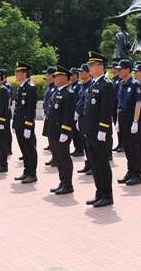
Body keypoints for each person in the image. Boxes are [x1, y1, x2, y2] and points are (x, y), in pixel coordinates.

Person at [83, 51, 116, 208]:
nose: (90, 67)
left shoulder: (106, 84)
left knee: (102, 163)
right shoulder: (93, 83)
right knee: (94, 163)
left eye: (92, 65)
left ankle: (107, 195)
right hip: (90, 130)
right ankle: (99, 192)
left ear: (101, 67)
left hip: (99, 132)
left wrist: (103, 129)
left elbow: (106, 109)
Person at [43, 66, 76, 195]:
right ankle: (62, 181)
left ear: (65, 78)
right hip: (52, 131)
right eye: (54, 76)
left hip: (61, 132)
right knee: (57, 158)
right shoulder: (56, 92)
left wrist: (65, 131)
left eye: (58, 76)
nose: (55, 78)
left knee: (64, 158)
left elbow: (68, 115)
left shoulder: (69, 93)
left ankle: (68, 184)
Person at [115, 58, 141, 186]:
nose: (118, 71)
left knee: (133, 146)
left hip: (130, 116)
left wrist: (135, 121)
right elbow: (119, 103)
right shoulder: (121, 84)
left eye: (121, 69)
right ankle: (130, 171)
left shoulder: (135, 84)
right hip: (122, 115)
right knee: (126, 146)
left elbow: (138, 103)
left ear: (127, 70)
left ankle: (136, 174)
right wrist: (117, 120)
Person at [12, 61, 38, 184]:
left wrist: (28, 126)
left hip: (26, 125)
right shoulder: (21, 87)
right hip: (19, 124)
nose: (16, 74)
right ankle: (26, 171)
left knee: (29, 149)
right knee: (24, 149)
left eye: (18, 72)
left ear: (24, 73)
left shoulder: (30, 87)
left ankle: (32, 173)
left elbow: (30, 108)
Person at [76, 63, 93, 175]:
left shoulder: (91, 85)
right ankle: (88, 163)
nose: (80, 73)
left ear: (88, 73)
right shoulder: (81, 86)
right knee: (84, 142)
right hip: (81, 117)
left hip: (88, 118)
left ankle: (93, 165)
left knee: (89, 144)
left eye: (83, 71)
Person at [42, 66, 57, 167]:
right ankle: (54, 157)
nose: (45, 76)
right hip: (48, 114)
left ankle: (57, 158)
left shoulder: (56, 87)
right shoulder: (49, 86)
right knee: (50, 138)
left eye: (47, 74)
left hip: (54, 116)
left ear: (51, 75)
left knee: (54, 137)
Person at [68, 68, 84, 157]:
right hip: (72, 112)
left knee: (78, 132)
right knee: (74, 131)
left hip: (77, 111)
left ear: (75, 75)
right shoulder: (71, 85)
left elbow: (79, 99)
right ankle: (76, 147)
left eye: (71, 74)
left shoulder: (79, 85)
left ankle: (80, 148)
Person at [109, 62, 123, 153]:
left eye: (112, 68)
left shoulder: (120, 80)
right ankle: (119, 143)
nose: (111, 69)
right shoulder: (113, 80)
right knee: (116, 125)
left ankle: (123, 144)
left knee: (120, 125)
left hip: (118, 105)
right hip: (113, 105)